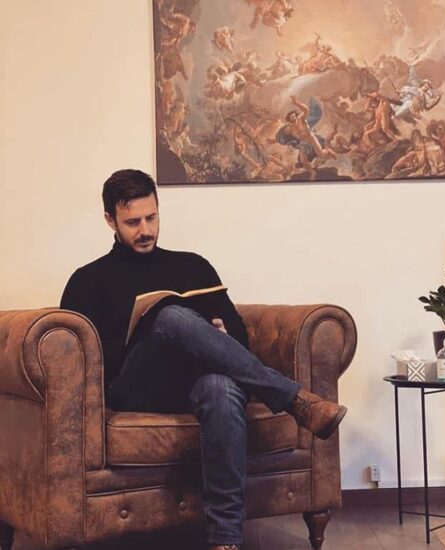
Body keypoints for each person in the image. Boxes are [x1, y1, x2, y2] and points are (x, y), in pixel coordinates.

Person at [60, 169, 347, 550]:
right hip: (136, 387)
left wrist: (219, 336)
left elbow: (239, 334)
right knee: (170, 317)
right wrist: (157, 334)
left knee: (221, 387)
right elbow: (87, 360)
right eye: (132, 222)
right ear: (110, 220)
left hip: (195, 382)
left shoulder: (192, 266)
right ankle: (295, 399)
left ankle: (225, 539)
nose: (145, 230)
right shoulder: (88, 280)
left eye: (151, 218)